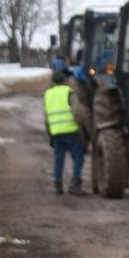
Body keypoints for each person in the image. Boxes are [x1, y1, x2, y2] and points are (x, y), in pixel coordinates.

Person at [45, 60, 85, 196]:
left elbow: (46, 117)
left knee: (59, 159)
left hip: (56, 133)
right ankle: (74, 184)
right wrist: (81, 126)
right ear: (64, 80)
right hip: (71, 132)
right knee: (78, 157)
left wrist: (50, 133)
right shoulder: (69, 92)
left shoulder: (48, 95)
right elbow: (78, 112)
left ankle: (58, 184)